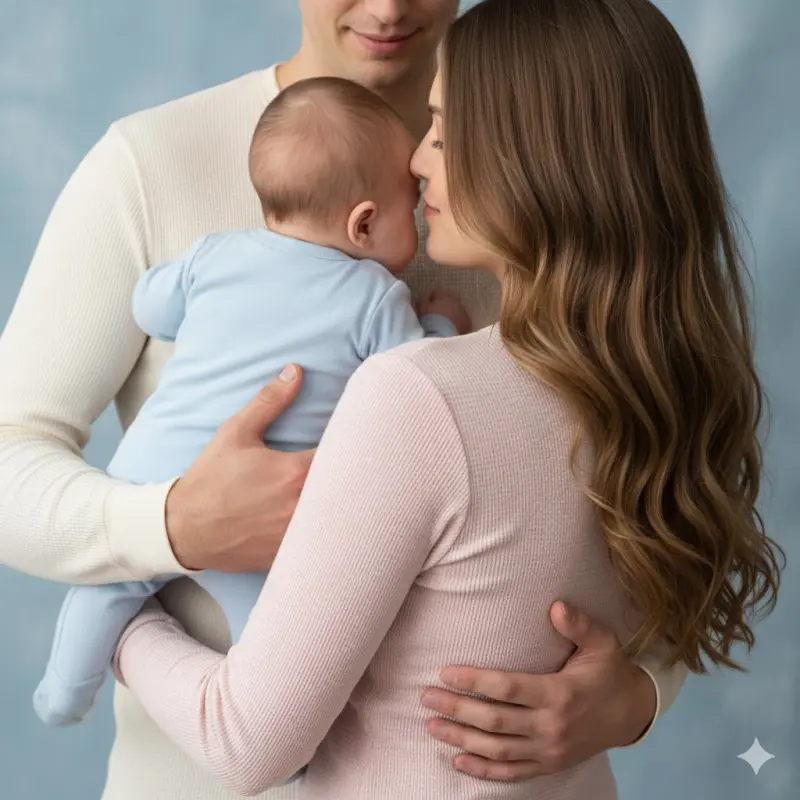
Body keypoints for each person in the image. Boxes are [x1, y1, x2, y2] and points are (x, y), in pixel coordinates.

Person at [0, 2, 687, 798]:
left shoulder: (553, 162)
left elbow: (648, 508)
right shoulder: (154, 166)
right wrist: (173, 525)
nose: (389, 6)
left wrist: (639, 696)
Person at [33, 76, 471, 730]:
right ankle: (289, 746)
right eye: (408, 209)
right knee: (274, 640)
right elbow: (414, 382)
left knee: (106, 591)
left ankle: (62, 694)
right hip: (265, 525)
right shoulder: (375, 299)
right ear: (364, 223)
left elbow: (149, 304)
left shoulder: (216, 252)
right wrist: (440, 327)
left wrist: (178, 296)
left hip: (147, 474)